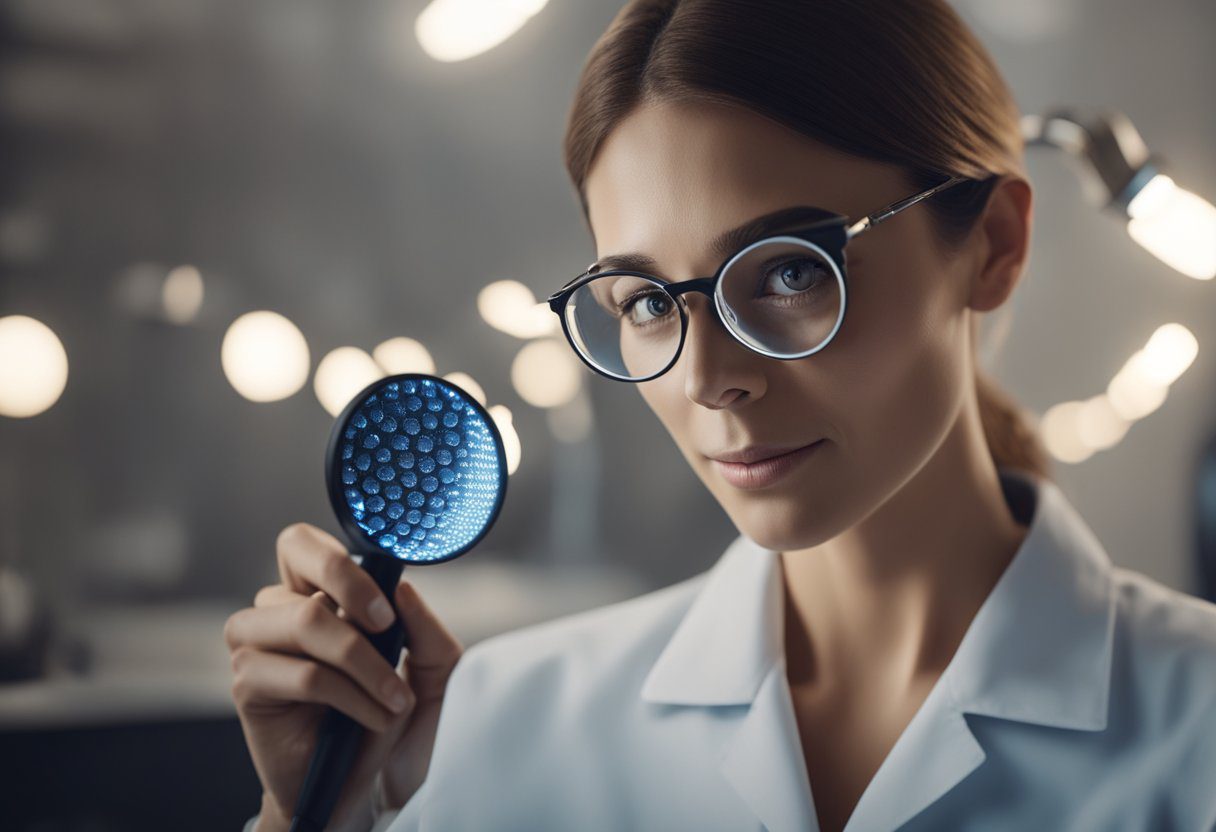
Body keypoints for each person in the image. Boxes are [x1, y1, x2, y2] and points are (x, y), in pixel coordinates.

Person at [226, 1, 1216, 830]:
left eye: (787, 271)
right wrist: (308, 818)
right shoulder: (503, 731)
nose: (707, 378)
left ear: (992, 245)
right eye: (648, 302)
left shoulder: (1196, 722)